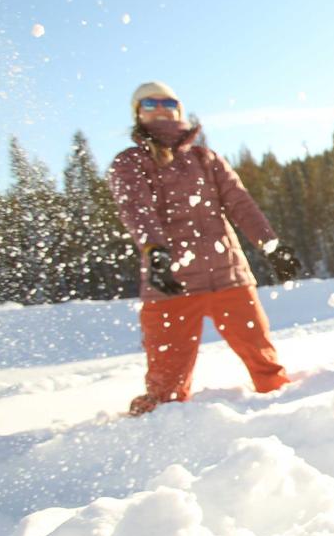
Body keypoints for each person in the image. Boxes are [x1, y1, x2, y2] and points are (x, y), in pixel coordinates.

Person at [108, 81, 300, 416]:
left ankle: (291, 419)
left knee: (268, 370)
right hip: (170, 282)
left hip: (229, 277)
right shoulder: (130, 162)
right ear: (137, 114)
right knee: (164, 392)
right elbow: (137, 210)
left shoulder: (205, 158)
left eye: (168, 103)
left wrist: (271, 245)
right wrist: (156, 253)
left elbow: (241, 204)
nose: (160, 109)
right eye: (149, 104)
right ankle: (155, 444)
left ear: (179, 110)